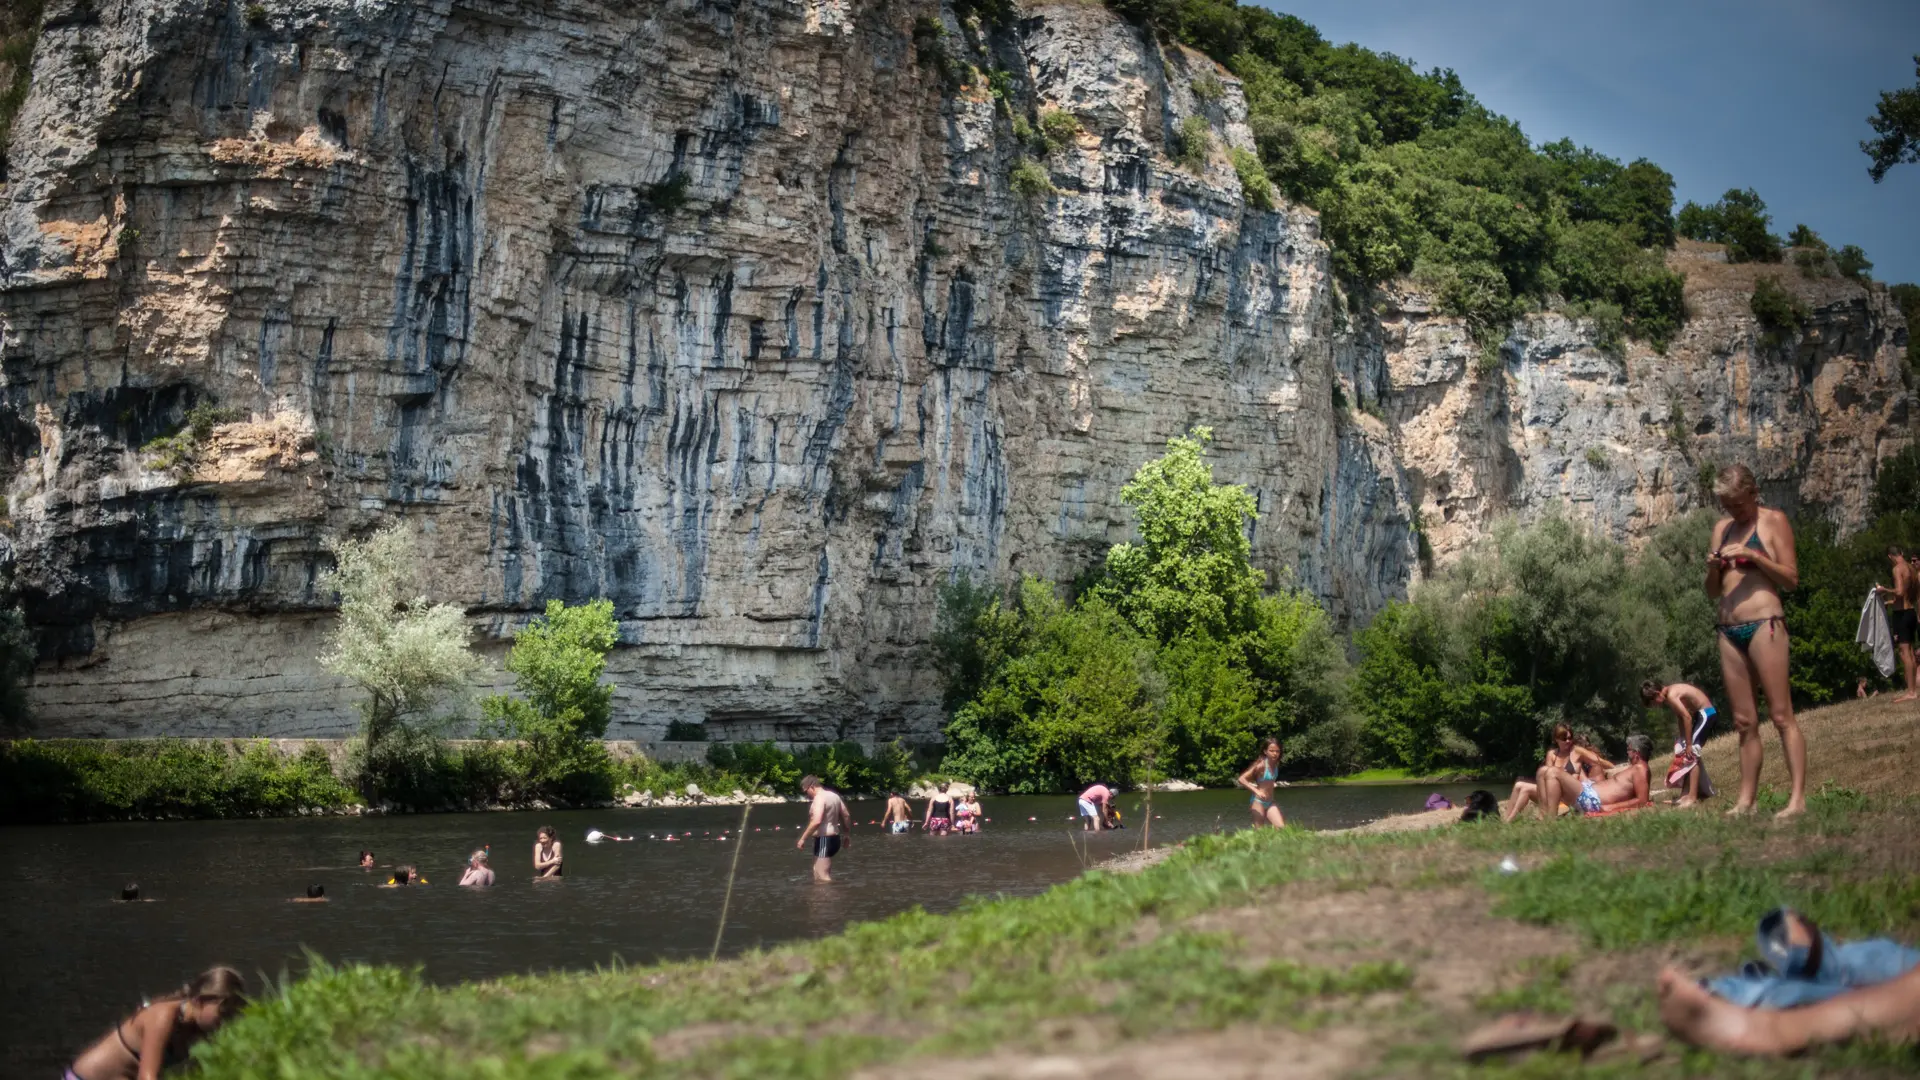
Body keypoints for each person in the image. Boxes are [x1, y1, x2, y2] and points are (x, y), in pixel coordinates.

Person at [1705, 463, 1807, 818]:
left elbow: (1791, 579)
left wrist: (1754, 556)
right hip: (1728, 630)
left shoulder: (1773, 520)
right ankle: (1746, 801)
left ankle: (1797, 800)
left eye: (1737, 503)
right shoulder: (1722, 529)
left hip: (1766, 623)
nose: (1733, 511)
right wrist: (1715, 567)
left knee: (1781, 715)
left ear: (1753, 492)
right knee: (1745, 722)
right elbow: (1711, 592)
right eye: (1727, 505)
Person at [65, 967, 247, 1080]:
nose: (227, 1021)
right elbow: (147, 1077)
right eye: (223, 1013)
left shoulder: (200, 1030)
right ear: (199, 1001)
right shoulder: (163, 1017)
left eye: (232, 1015)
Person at [1503, 726, 1610, 822]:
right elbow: (1546, 779)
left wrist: (1617, 768)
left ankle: (1509, 822)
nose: (1568, 741)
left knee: (1525, 789)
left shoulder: (1576, 751)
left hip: (1568, 793)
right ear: (1556, 739)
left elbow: (1600, 761)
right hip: (1553, 792)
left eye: (1570, 738)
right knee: (1519, 785)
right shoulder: (1552, 754)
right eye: (1564, 739)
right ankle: (1505, 820)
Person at [1641, 679, 1718, 807]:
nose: (1655, 706)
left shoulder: (1671, 695)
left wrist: (1688, 744)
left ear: (1656, 693)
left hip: (1706, 714)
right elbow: (1680, 717)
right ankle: (1685, 795)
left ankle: (1692, 797)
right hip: (1700, 715)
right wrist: (1682, 739)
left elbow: (1687, 717)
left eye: (1653, 703)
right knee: (1687, 755)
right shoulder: (1669, 694)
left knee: (1692, 752)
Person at [1554, 734, 1653, 815]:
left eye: (1629, 750)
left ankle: (1548, 819)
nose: (1627, 752)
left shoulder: (1640, 769)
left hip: (1592, 799)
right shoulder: (1636, 769)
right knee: (1547, 774)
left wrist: (1611, 807)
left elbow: (1642, 800)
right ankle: (1547, 818)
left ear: (1636, 753)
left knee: (1553, 773)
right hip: (1589, 794)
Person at [1878, 546, 1918, 702]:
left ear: (1890, 557)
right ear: (1901, 553)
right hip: (1911, 612)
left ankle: (1911, 692)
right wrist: (1890, 602)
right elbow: (1907, 595)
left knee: (1904, 653)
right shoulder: (1911, 568)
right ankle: (1913, 688)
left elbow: (1900, 591)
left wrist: (1884, 589)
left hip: (1902, 615)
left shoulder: (1897, 569)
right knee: (1911, 652)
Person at [796, 774, 851, 883]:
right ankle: (821, 899)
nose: (807, 795)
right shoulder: (834, 796)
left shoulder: (819, 798)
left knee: (822, 877)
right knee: (817, 872)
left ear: (811, 786)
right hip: (834, 838)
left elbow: (816, 821)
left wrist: (803, 838)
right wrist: (846, 835)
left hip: (824, 839)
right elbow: (846, 815)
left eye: (806, 791)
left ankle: (831, 898)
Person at [1237, 739, 1287, 828]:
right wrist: (1257, 791)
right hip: (1258, 802)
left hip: (1270, 802)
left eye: (1277, 751)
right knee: (1260, 832)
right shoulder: (1261, 765)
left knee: (1281, 827)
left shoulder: (1276, 764)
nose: (1275, 753)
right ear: (1265, 751)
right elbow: (1241, 779)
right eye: (1271, 751)